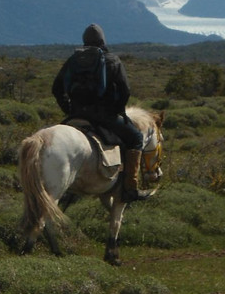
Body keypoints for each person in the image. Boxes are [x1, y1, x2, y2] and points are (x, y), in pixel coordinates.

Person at [52, 23, 151, 202]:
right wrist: (117, 111)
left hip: (76, 114)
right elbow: (125, 90)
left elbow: (56, 88)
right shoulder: (112, 60)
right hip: (104, 115)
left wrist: (69, 109)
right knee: (136, 138)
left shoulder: (73, 60)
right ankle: (130, 188)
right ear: (102, 40)